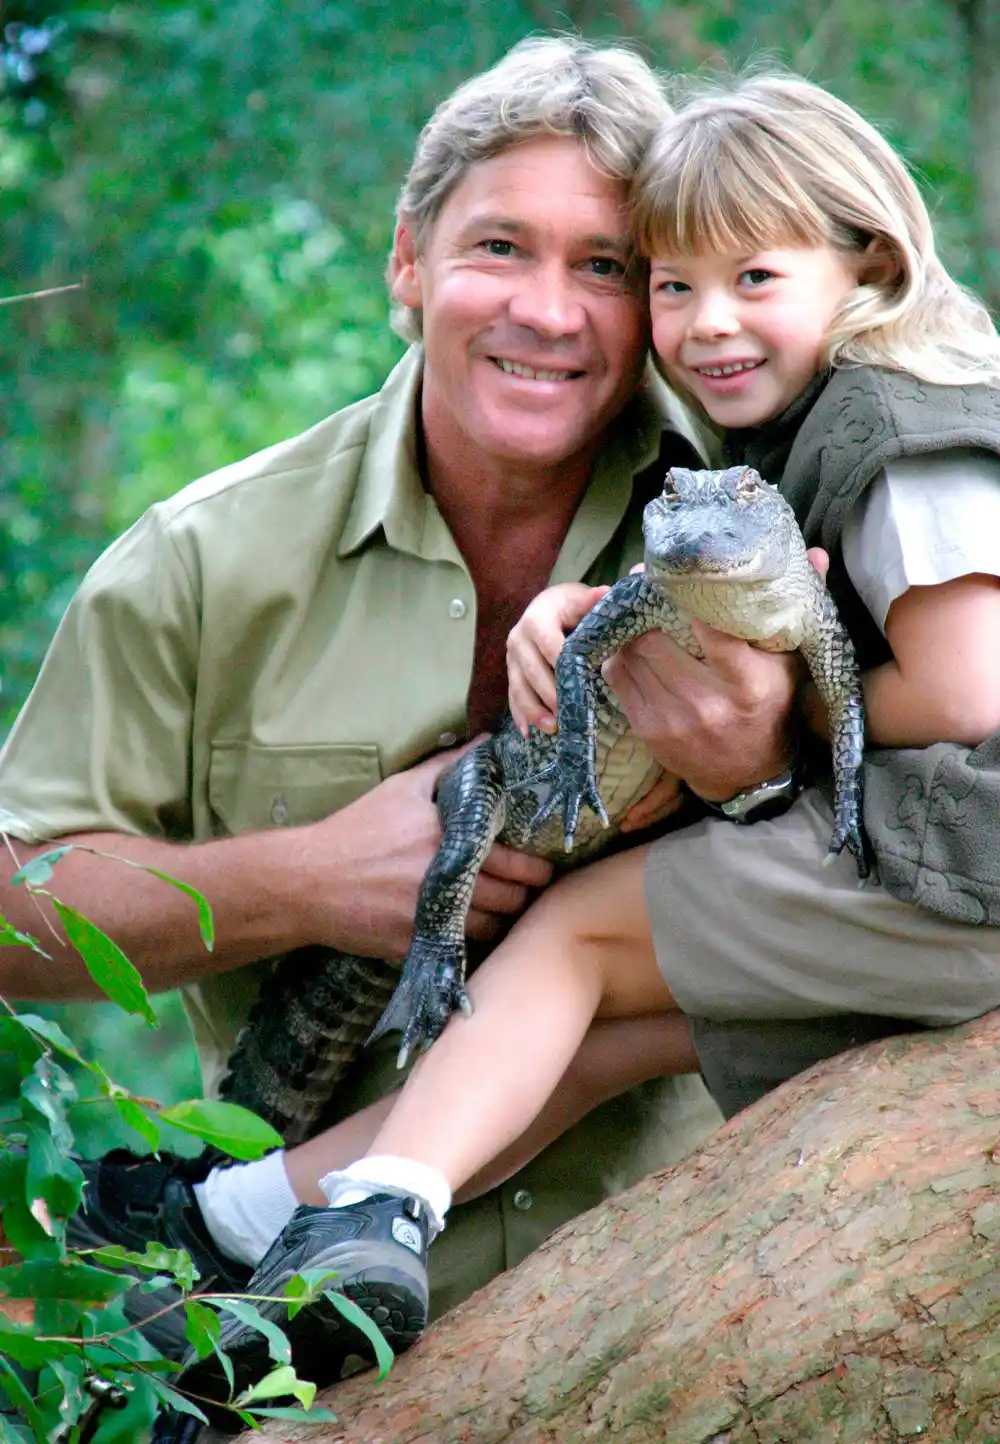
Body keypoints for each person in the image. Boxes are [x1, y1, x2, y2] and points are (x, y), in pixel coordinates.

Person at [171, 68, 1000, 1407]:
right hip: (942, 873)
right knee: (613, 1022)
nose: (706, 323)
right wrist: (580, 616)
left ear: (871, 264)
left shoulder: (897, 431)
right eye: (672, 286)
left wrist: (781, 726)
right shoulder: (821, 418)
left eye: (755, 278)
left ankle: (366, 1210)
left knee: (573, 940)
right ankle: (247, 1219)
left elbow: (966, 696)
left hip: (967, 870)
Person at [0, 38, 807, 1374]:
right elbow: (14, 910)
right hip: (290, 1331)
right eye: (500, 247)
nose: (548, 312)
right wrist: (307, 880)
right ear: (407, 264)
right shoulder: (204, 559)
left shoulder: (748, 517)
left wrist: (764, 754)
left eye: (604, 267)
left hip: (714, 1296)